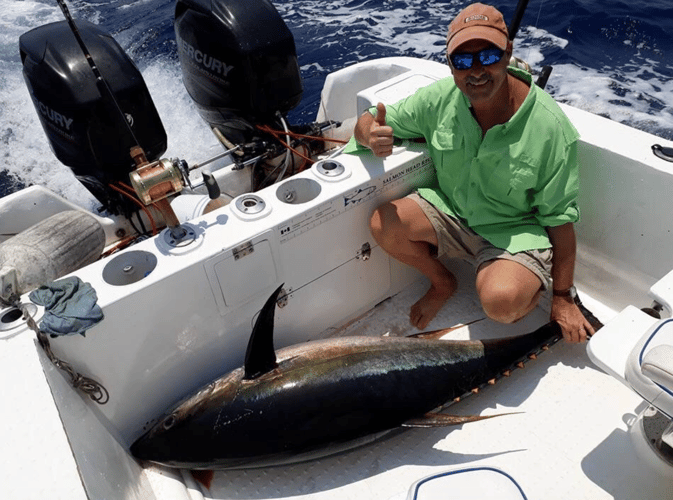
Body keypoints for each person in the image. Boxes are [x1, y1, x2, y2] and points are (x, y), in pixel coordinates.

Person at [354, 2, 594, 343]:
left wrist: (563, 296)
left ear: (508, 52)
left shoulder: (551, 129)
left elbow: (560, 220)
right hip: (454, 212)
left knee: (501, 304)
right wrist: (367, 132)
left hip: (512, 231)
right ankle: (443, 282)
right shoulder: (439, 98)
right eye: (463, 61)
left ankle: (522, 282)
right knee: (384, 222)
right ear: (451, 65)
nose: (476, 70)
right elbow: (373, 116)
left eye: (489, 56)